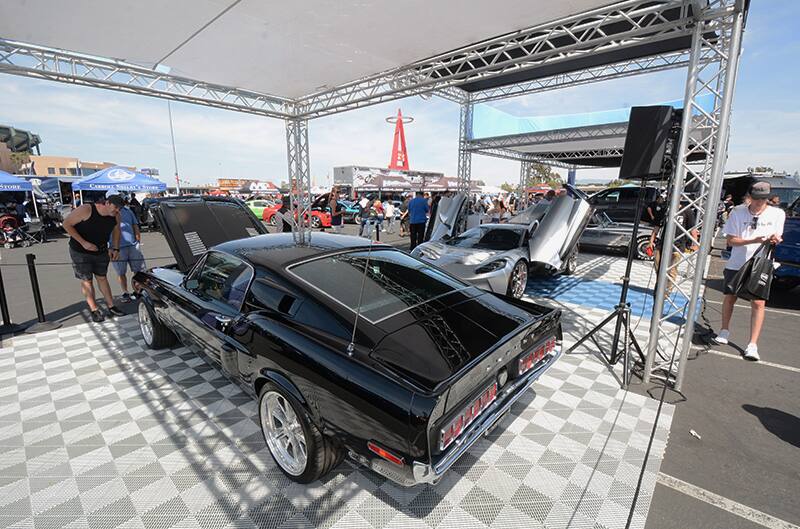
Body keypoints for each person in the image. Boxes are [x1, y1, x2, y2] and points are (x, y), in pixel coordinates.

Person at [713, 182, 785, 361]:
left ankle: (752, 344)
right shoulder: (738, 212)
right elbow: (730, 240)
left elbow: (778, 236)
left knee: (759, 302)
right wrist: (752, 240)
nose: (760, 202)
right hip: (737, 262)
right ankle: (724, 330)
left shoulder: (777, 214)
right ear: (750, 197)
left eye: (764, 199)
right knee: (730, 296)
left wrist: (775, 239)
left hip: (761, 264)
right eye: (757, 198)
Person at [63, 194, 125, 323]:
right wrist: (83, 242)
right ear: (107, 203)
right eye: (115, 207)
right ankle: (94, 309)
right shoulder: (87, 209)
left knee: (102, 277)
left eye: (120, 208)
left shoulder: (116, 216)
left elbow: (117, 231)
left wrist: (115, 248)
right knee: (87, 280)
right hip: (80, 250)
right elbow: (67, 224)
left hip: (101, 249)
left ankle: (111, 306)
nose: (117, 211)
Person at [110, 192, 145, 303]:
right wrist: (109, 247)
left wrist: (138, 240)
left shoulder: (128, 211)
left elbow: (135, 225)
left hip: (132, 245)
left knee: (139, 270)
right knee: (121, 272)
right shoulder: (107, 214)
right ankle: (125, 292)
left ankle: (139, 291)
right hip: (117, 248)